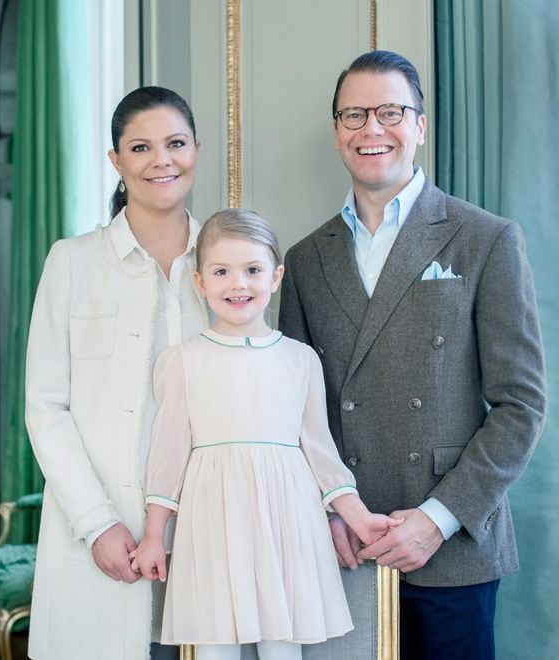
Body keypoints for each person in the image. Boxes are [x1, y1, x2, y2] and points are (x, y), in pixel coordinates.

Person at [279, 50, 546, 660]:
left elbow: (521, 405)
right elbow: (294, 413)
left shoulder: (485, 238)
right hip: (343, 543)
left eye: (391, 111)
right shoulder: (303, 260)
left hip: (452, 545)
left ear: (420, 125)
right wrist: (330, 510)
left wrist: (438, 516)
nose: (372, 128)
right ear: (337, 132)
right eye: (354, 115)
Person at [130, 209, 400, 660]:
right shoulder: (183, 361)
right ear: (200, 282)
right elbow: (168, 455)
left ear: (275, 277)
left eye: (252, 270)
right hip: (213, 522)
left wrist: (358, 517)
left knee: (282, 647)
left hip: (287, 523)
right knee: (215, 646)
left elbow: (320, 452)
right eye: (221, 272)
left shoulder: (300, 360)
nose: (238, 285)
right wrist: (155, 536)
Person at [25, 86, 208, 660]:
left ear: (196, 150)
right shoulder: (72, 262)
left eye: (176, 143)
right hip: (100, 534)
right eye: (141, 147)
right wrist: (96, 523)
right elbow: (45, 407)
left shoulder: (225, 264)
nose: (162, 160)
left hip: (206, 530)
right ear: (116, 161)